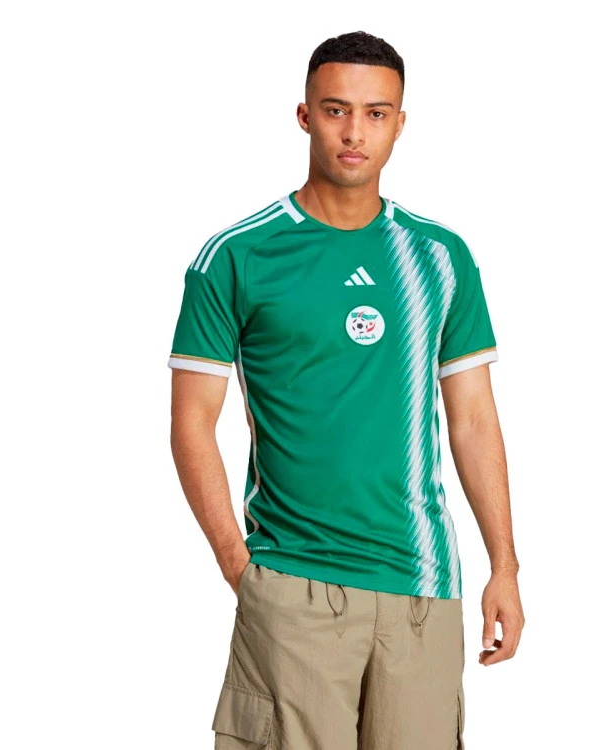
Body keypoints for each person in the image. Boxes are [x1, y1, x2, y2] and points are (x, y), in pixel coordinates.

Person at [168, 29, 524, 750]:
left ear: (400, 123)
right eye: (336, 110)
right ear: (305, 116)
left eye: (375, 113)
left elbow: (474, 421)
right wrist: (242, 569)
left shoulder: (440, 257)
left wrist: (505, 566)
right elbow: (191, 423)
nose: (355, 132)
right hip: (292, 585)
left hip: (422, 589)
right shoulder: (236, 255)